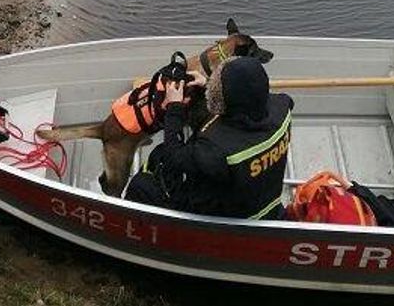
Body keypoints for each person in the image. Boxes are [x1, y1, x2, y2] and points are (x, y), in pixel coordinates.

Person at [124, 56, 293, 220]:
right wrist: (206, 86)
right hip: (263, 200)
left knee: (142, 184)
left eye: (217, 85)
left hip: (232, 219)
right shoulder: (283, 106)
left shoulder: (216, 149)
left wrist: (173, 108)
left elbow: (175, 158)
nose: (213, 84)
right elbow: (249, 100)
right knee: (159, 155)